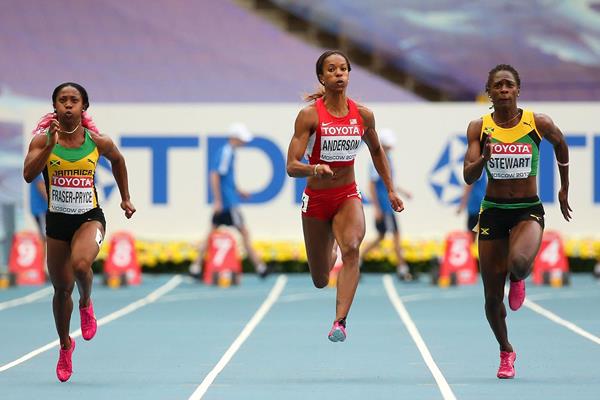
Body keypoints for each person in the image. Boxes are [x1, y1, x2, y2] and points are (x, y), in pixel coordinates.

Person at [286, 50, 404, 342]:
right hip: (316, 199)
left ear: (349, 75)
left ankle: (340, 322)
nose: (339, 74)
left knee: (352, 247)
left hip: (347, 195)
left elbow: (377, 151)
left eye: (343, 69)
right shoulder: (309, 116)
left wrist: (390, 189)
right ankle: (330, 250)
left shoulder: (363, 115)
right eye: (331, 69)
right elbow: (291, 166)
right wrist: (314, 168)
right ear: (321, 78)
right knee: (320, 278)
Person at [463, 64, 571, 379]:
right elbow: (469, 175)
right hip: (493, 211)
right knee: (491, 299)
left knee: (520, 262)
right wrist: (484, 157)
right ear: (490, 92)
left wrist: (564, 187)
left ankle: (519, 277)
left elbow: (561, 145)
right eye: (498, 86)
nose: (504, 90)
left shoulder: (537, 122)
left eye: (509, 85)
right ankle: (506, 351)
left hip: (527, 208)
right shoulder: (478, 127)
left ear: (518, 90)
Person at [23, 82, 135, 382]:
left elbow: (119, 161)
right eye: (63, 100)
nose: (68, 105)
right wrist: (48, 146)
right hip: (57, 222)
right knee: (60, 291)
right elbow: (28, 175)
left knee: (81, 264)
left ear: (84, 107)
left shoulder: (97, 141)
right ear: (55, 107)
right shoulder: (41, 140)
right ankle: (64, 345)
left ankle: (86, 303)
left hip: (89, 217)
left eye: (74, 100)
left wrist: (125, 197)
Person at [194, 122, 268, 279]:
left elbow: (226, 179)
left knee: (211, 233)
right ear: (234, 138)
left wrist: (240, 191)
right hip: (228, 203)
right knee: (244, 233)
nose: (244, 142)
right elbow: (214, 175)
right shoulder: (227, 152)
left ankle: (195, 267)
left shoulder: (229, 152)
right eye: (241, 138)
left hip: (228, 200)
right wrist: (218, 201)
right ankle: (260, 267)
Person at [359, 128, 413, 280]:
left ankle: (358, 259)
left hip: (386, 205)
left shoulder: (386, 158)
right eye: (388, 146)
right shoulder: (379, 160)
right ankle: (403, 269)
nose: (390, 148)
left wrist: (403, 192)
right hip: (385, 206)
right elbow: (372, 185)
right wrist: (376, 208)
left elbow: (389, 183)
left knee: (382, 236)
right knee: (395, 236)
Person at [457, 170, 487, 242]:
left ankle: (473, 250)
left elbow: (469, 186)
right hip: (479, 204)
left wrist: (462, 204)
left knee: (473, 233)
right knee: (480, 232)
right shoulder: (483, 168)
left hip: (476, 204)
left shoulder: (477, 168)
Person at [29, 173, 48, 239]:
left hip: (42, 209)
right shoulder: (39, 170)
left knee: (45, 235)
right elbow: (41, 186)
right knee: (45, 236)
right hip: (41, 209)